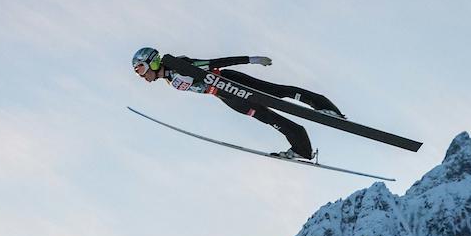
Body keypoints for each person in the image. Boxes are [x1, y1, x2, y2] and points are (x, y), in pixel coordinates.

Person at [132, 47, 345, 160]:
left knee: (277, 92)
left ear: (152, 61)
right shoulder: (170, 80)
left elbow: (213, 64)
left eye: (140, 69)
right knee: (268, 117)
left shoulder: (174, 64)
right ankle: (302, 149)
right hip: (225, 96)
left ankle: (324, 107)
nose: (141, 76)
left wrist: (250, 59)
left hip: (230, 82)